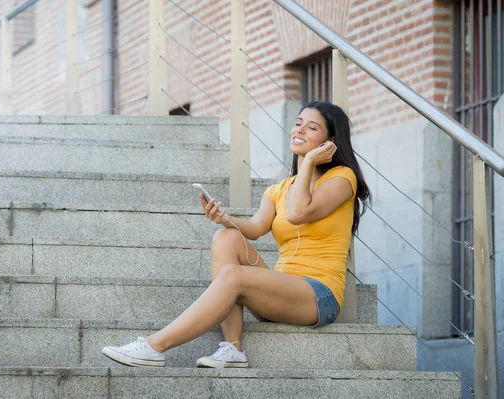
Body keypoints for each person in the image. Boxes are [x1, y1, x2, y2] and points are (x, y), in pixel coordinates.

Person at [101, 101, 371, 368]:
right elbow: (255, 228)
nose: (299, 131)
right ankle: (232, 348)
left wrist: (309, 160)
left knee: (233, 275)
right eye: (298, 124)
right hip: (280, 287)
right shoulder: (278, 190)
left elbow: (299, 212)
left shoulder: (342, 178)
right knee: (225, 237)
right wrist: (223, 218)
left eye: (312, 128)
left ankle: (154, 346)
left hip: (318, 296)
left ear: (330, 141)